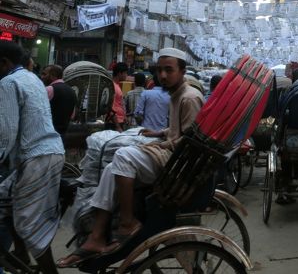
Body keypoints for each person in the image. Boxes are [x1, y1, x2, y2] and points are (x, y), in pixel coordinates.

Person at [56, 48, 203, 267]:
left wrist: (163, 142)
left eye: (169, 70)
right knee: (111, 168)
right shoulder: (176, 94)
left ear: (182, 71)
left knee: (123, 155)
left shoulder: (189, 97)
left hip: (175, 162)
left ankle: (127, 222)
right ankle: (96, 236)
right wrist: (159, 133)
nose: (162, 75)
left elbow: (190, 139)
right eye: (159, 70)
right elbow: (177, 130)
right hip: (168, 153)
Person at [0, 42, 64, 274]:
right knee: (5, 201)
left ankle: (49, 271)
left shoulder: (8, 82)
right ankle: (20, 254)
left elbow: (6, 133)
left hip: (37, 156)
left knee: (30, 223)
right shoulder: (32, 78)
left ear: (4, 62)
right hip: (49, 152)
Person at [41, 64, 76, 137]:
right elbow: (72, 116)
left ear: (53, 75)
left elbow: (38, 111)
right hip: (63, 134)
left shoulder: (49, 89)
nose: (42, 77)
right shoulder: (72, 91)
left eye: (44, 74)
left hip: (46, 133)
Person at [107, 62, 128, 132]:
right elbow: (111, 108)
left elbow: (119, 104)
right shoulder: (113, 87)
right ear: (119, 73)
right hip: (114, 123)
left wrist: (124, 117)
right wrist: (117, 126)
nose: (126, 75)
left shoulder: (116, 85)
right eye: (125, 73)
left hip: (118, 121)